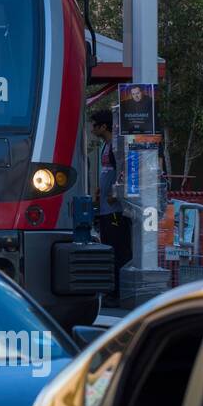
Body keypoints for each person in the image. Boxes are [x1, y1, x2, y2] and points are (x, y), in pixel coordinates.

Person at [90, 108, 131, 306]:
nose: (92, 128)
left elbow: (122, 171)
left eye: (94, 125)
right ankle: (111, 292)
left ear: (103, 126)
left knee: (117, 249)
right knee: (109, 246)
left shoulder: (116, 147)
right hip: (106, 208)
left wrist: (115, 194)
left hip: (115, 211)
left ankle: (116, 293)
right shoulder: (106, 147)